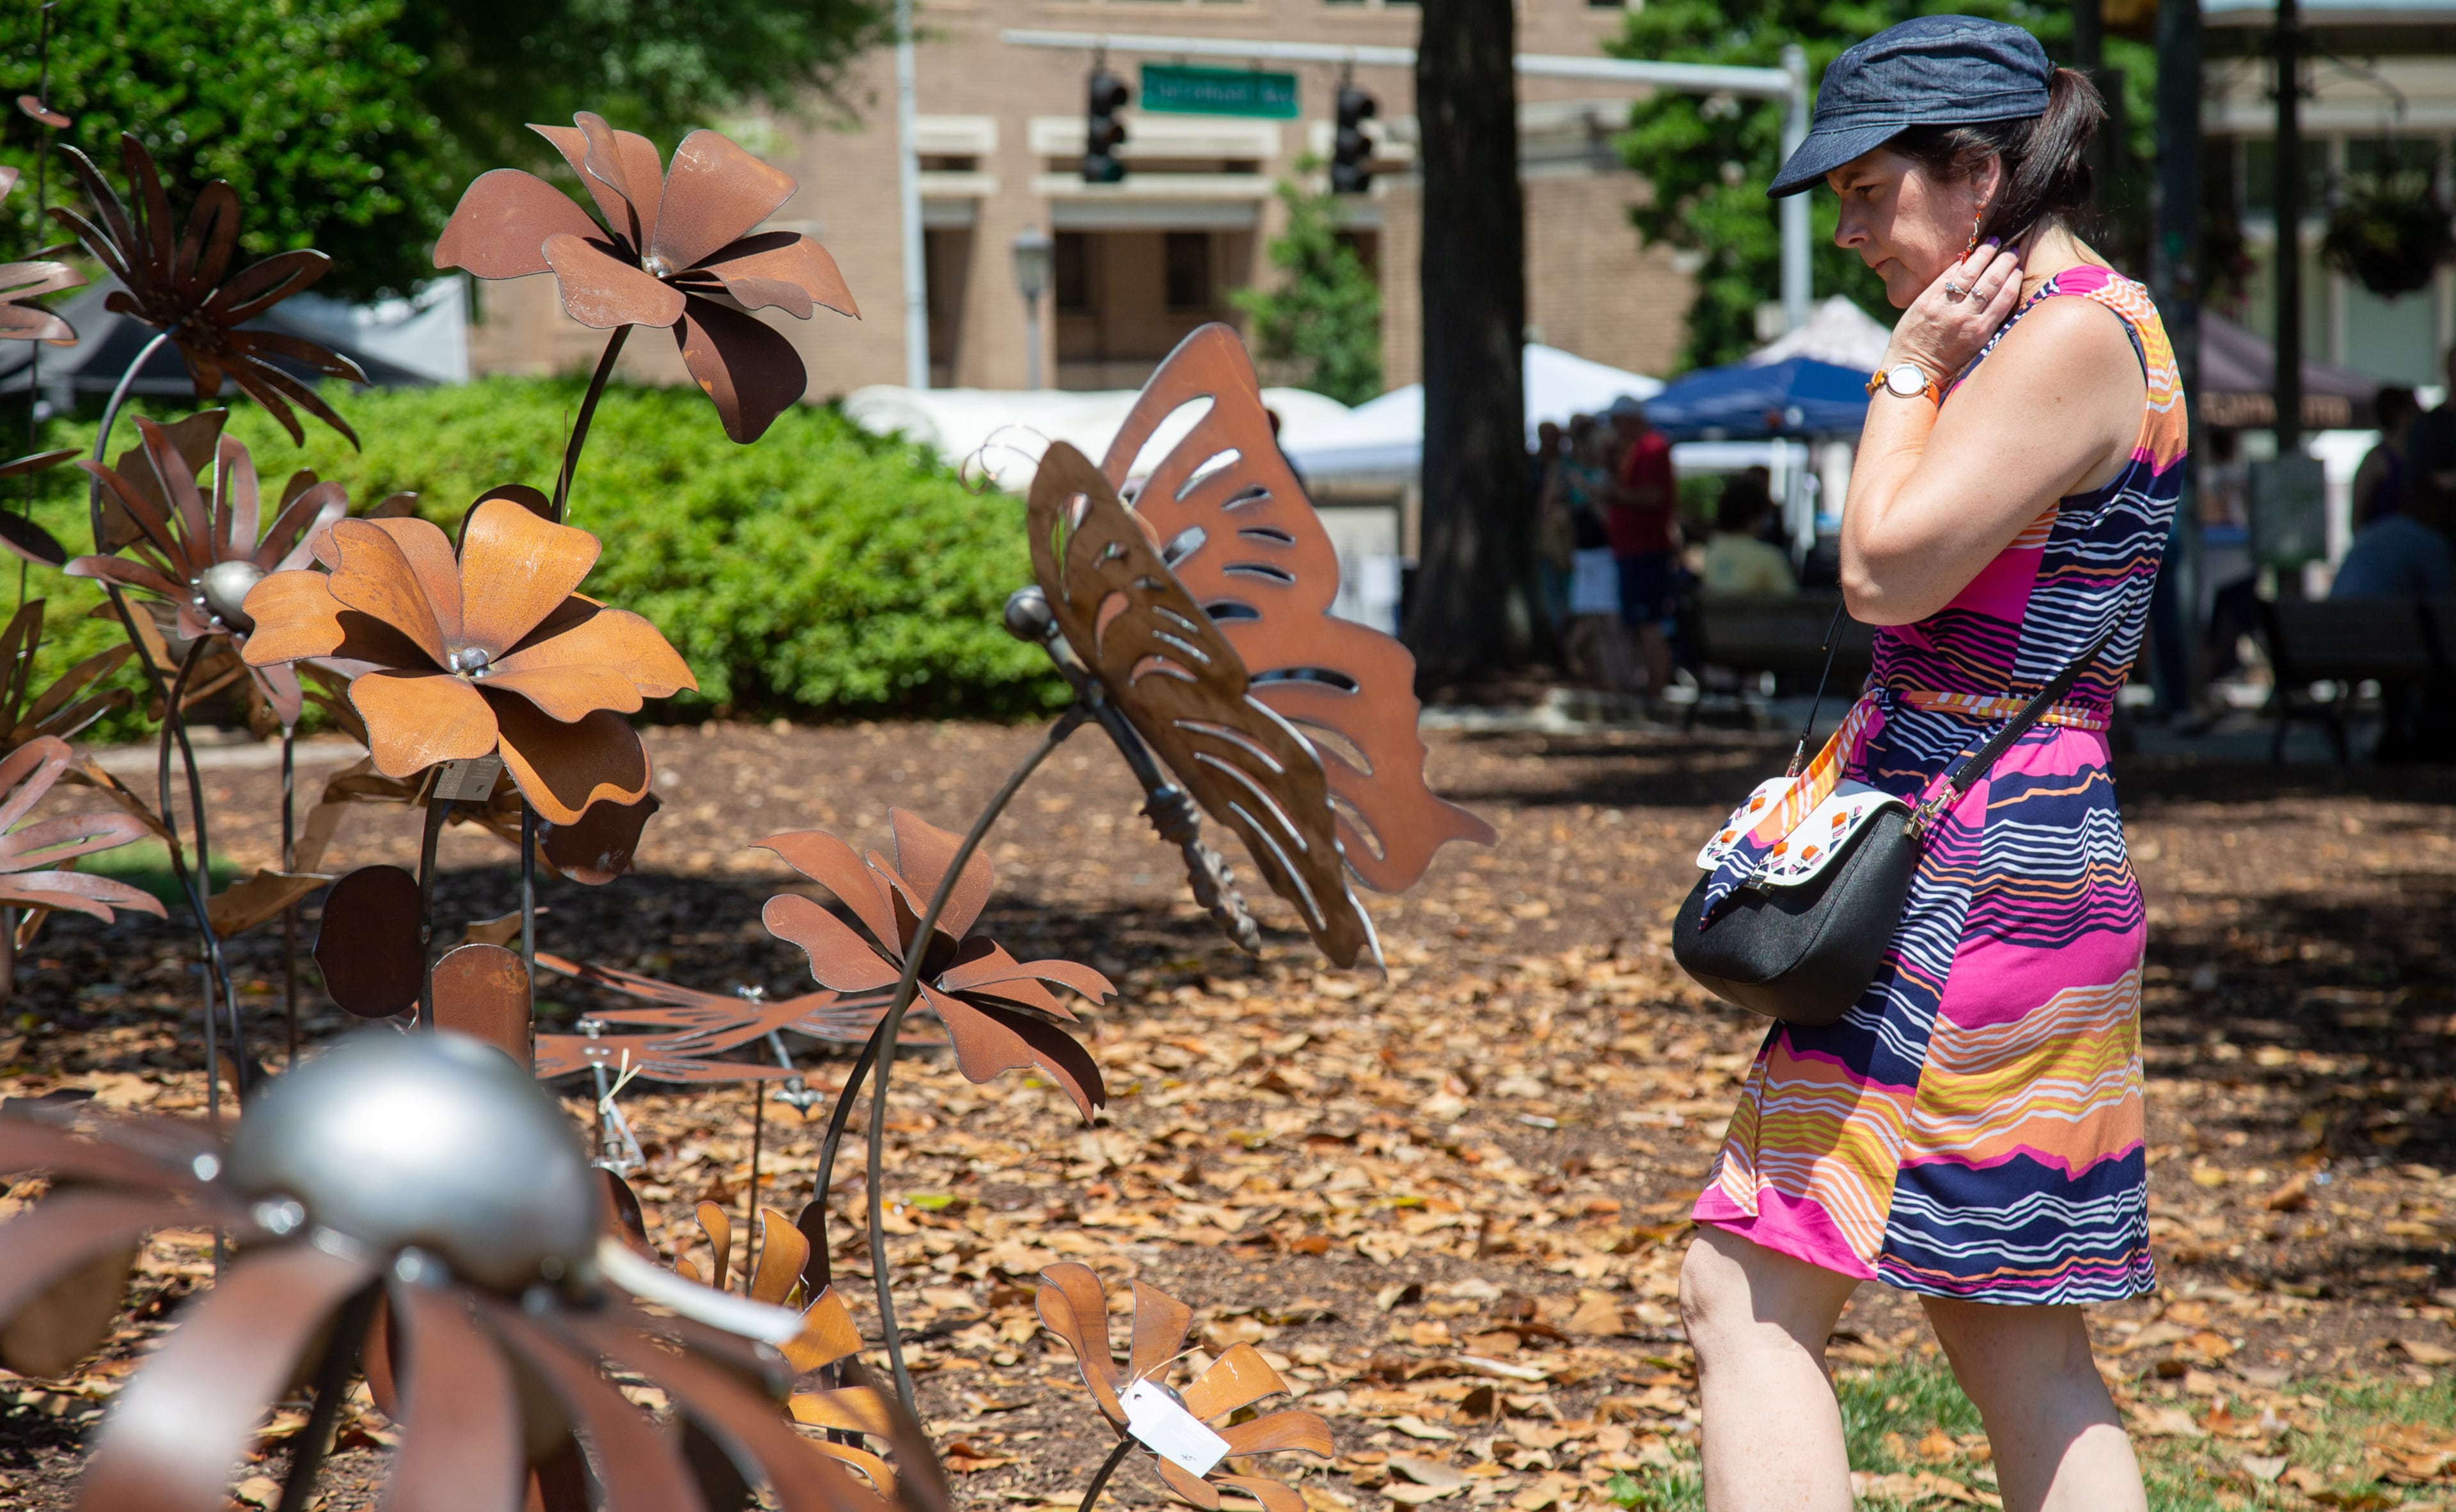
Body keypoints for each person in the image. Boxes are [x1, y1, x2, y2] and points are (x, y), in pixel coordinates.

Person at [1681, 18, 2173, 1511]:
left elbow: (1883, 570)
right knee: (2007, 1331)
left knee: (1744, 1287)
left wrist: (1902, 373)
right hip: (2012, 861)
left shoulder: (2069, 334)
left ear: (1976, 176)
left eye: (1865, 192)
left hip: (1963, 874)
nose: (1846, 231)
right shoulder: (2071, 324)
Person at [1604, 400, 1678, 697]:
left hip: (1646, 549)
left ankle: (1655, 685)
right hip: (1631, 549)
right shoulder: (1633, 449)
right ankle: (1645, 681)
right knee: (1637, 621)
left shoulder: (1652, 447)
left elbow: (1653, 496)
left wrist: (1615, 495)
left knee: (1649, 621)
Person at [1697, 471, 1799, 598]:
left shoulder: (1710, 552)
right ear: (1754, 519)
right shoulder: (1769, 558)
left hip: (1716, 618)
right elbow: (1792, 604)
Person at [2353, 386, 2419, 528]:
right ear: (2401, 416)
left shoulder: (2419, 456)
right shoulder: (2376, 460)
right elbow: (2356, 518)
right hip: (2385, 544)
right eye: (2415, 411)